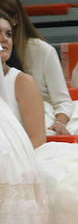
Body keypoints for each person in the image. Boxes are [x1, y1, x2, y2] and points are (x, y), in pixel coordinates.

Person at [0, 0, 74, 136]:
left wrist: (59, 122)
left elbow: (63, 101)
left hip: (41, 118)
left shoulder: (43, 51)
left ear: (14, 20)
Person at [0, 12, 44, 147]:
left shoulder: (23, 82)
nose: (4, 39)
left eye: (8, 34)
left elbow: (37, 140)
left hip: (19, 161)